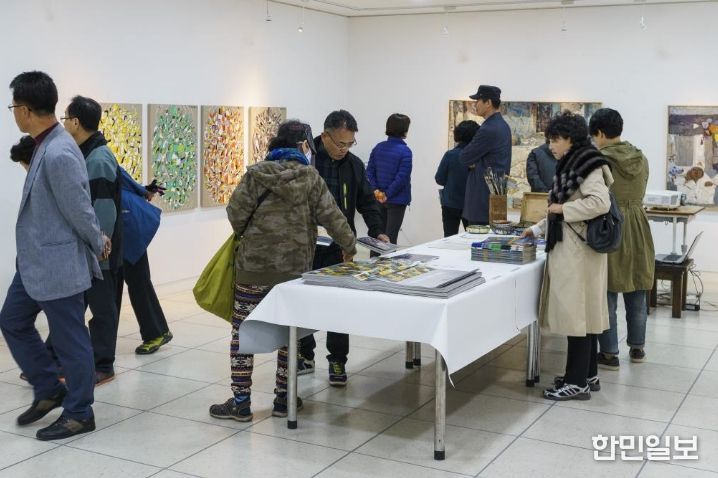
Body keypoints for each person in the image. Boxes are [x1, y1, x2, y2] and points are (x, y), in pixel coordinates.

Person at [209, 120, 356, 422]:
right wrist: (350, 246)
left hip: (253, 269)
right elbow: (333, 217)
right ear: (302, 146)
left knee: (242, 333)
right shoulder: (310, 178)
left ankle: (241, 403)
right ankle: (283, 399)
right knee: (289, 336)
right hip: (293, 272)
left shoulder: (256, 175)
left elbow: (235, 213)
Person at [0, 71, 109, 440]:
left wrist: (97, 242)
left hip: (59, 264)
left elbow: (79, 208)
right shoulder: (44, 144)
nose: (14, 113)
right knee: (12, 319)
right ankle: (49, 388)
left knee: (70, 340)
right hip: (36, 264)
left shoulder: (59, 152)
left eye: (14, 107)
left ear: (26, 110)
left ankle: (79, 413)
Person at [522, 111, 613, 401]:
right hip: (577, 248)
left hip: (578, 251)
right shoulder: (575, 161)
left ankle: (577, 383)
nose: (551, 146)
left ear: (570, 139)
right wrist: (537, 229)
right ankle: (587, 375)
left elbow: (599, 203)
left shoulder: (587, 165)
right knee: (584, 314)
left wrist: (564, 210)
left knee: (577, 315)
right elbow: (559, 207)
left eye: (555, 140)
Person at [298, 110, 389, 387]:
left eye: (350, 144)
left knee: (339, 304)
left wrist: (378, 230)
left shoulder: (353, 165)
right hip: (305, 245)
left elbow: (366, 201)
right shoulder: (305, 160)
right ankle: (305, 353)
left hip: (339, 248)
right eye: (340, 143)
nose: (344, 149)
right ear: (324, 136)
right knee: (304, 302)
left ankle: (337, 359)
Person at [61, 95, 123, 385]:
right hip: (87, 248)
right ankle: (57, 359)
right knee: (73, 306)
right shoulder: (87, 153)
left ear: (76, 122)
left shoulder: (98, 159)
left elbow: (104, 208)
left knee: (102, 309)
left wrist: (100, 245)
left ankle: (103, 365)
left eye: (65, 118)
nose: (63, 124)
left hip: (100, 252)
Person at [589, 108, 655, 369]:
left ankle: (609, 353)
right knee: (637, 287)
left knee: (607, 289)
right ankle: (638, 348)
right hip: (638, 223)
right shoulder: (641, 158)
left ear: (600, 133)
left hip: (610, 223)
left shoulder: (598, 161)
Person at [115, 167, 173, 355]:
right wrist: (144, 190)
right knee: (132, 282)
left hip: (127, 226)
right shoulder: (91, 156)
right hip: (121, 224)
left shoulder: (98, 156)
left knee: (138, 282)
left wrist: (144, 191)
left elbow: (123, 179)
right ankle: (157, 331)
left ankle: (157, 332)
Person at [460, 85, 512, 225]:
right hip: (495, 197)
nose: (475, 104)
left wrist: (475, 162)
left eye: (478, 100)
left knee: (479, 236)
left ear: (488, 102)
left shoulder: (488, 129)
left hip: (481, 200)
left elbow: (464, 157)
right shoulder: (503, 126)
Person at [367, 113, 412, 245]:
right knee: (390, 239)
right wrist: (387, 194)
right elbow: (402, 177)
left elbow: (369, 172)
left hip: (377, 199)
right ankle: (388, 260)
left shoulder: (378, 147)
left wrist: (376, 191)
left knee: (377, 237)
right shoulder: (405, 151)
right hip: (397, 201)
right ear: (404, 130)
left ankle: (374, 259)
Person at [435, 120, 479, 236]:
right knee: (472, 238)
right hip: (471, 204)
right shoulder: (478, 157)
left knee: (449, 238)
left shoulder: (450, 155)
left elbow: (439, 179)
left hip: (450, 203)